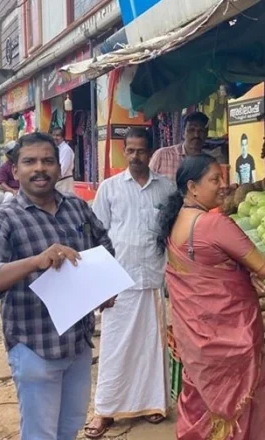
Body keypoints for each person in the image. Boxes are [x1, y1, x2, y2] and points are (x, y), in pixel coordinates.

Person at [0, 132, 116, 440]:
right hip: (35, 346)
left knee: (69, 428)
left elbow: (103, 245)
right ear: (15, 170)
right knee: (40, 435)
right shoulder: (2, 219)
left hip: (78, 342)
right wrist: (34, 262)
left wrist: (105, 286)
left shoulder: (77, 207)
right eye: (29, 161)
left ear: (60, 168)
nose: (39, 168)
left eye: (47, 161)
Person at [156, 154, 265, 440]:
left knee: (199, 399)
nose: (224, 185)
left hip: (198, 343)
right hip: (230, 341)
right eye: (215, 179)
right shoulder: (214, 224)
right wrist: (249, 272)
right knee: (239, 401)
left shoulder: (176, 222)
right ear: (192, 187)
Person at [84, 127, 175, 438]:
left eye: (142, 151)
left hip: (152, 279)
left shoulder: (166, 188)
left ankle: (152, 404)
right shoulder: (109, 189)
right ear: (124, 152)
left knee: (152, 346)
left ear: (151, 153)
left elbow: (171, 234)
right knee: (114, 348)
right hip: (118, 283)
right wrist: (98, 285)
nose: (136, 156)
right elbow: (95, 238)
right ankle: (105, 410)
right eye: (131, 151)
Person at [149, 111, 209, 181]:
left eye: (201, 131)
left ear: (206, 134)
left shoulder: (208, 163)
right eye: (191, 130)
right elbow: (148, 183)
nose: (196, 135)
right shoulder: (162, 155)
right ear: (183, 133)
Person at [52, 126, 75, 195]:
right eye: (53, 135)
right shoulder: (56, 149)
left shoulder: (66, 150)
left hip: (64, 182)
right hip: (59, 182)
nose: (55, 137)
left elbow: (62, 170)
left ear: (63, 137)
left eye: (57, 135)